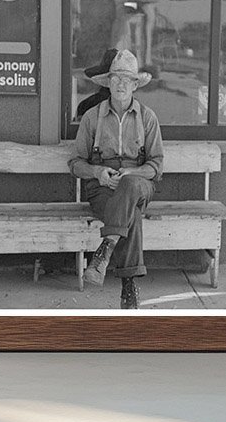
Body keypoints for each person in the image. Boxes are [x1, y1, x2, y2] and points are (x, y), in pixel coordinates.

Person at [67, 49, 164, 310]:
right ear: (108, 82)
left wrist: (132, 173)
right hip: (103, 190)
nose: (121, 83)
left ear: (135, 84)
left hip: (140, 184)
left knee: (130, 187)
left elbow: (156, 165)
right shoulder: (92, 118)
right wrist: (98, 172)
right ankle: (129, 287)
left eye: (126, 79)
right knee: (131, 213)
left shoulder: (147, 118)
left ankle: (106, 248)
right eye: (115, 78)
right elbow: (75, 163)